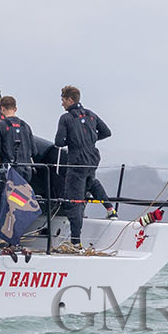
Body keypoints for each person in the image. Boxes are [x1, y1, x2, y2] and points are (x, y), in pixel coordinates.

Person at [53, 84, 116, 246]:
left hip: (77, 160)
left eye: (63, 100)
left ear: (70, 100)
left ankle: (75, 243)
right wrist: (90, 140)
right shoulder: (91, 114)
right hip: (93, 158)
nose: (62, 104)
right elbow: (106, 132)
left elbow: (59, 142)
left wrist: (72, 140)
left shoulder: (66, 118)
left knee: (74, 201)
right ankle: (110, 210)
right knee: (91, 182)